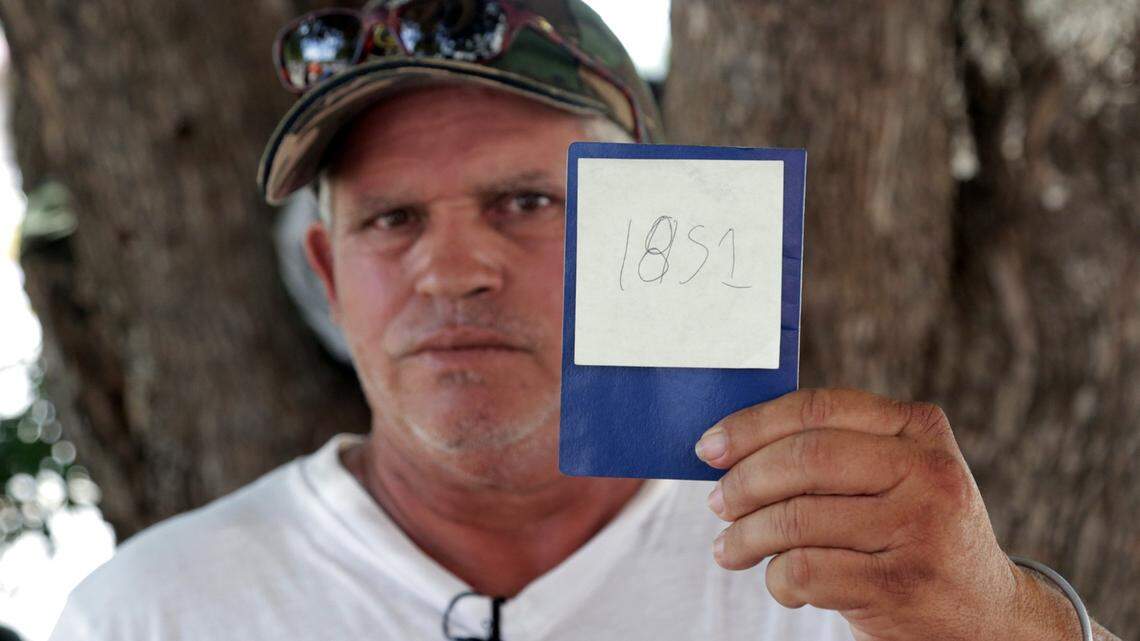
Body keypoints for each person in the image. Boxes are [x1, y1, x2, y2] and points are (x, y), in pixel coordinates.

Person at [49, 1, 1120, 640]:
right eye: (390, 218)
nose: (452, 269)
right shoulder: (147, 614)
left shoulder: (838, 580)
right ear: (329, 274)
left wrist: (1004, 620)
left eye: (527, 202)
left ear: (640, 229)